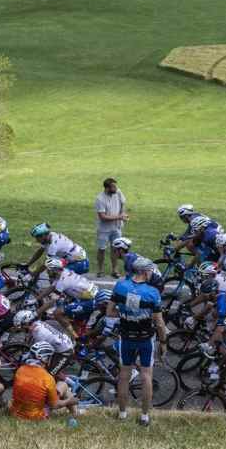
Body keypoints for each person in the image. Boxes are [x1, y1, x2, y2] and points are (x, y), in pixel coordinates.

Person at [105, 257, 166, 426]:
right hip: (145, 339)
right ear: (146, 272)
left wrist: (126, 315)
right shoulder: (153, 292)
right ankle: (144, 416)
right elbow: (159, 323)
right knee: (146, 376)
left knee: (124, 376)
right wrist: (163, 342)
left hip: (126, 337)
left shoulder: (120, 286)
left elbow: (109, 312)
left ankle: (122, 413)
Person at [9, 342, 73, 422]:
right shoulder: (47, 378)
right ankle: (75, 413)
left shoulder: (20, 370)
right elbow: (54, 405)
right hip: (35, 417)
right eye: (50, 357)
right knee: (63, 384)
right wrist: (70, 401)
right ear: (45, 359)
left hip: (15, 413)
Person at [94, 177, 128, 277]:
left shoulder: (118, 192)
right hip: (104, 229)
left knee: (116, 249)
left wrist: (123, 213)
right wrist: (119, 217)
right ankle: (100, 270)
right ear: (107, 188)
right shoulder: (100, 199)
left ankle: (114, 270)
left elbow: (123, 203)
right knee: (102, 249)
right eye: (113, 187)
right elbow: (103, 217)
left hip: (116, 227)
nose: (116, 188)